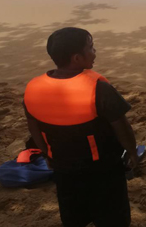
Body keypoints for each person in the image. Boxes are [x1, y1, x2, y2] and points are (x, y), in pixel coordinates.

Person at [24, 27, 138, 227]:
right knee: (113, 217)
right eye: (91, 48)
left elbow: (33, 127)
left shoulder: (33, 88)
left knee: (73, 216)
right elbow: (122, 127)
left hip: (62, 165)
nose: (95, 53)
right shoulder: (99, 89)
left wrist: (46, 153)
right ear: (76, 58)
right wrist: (132, 152)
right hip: (103, 169)